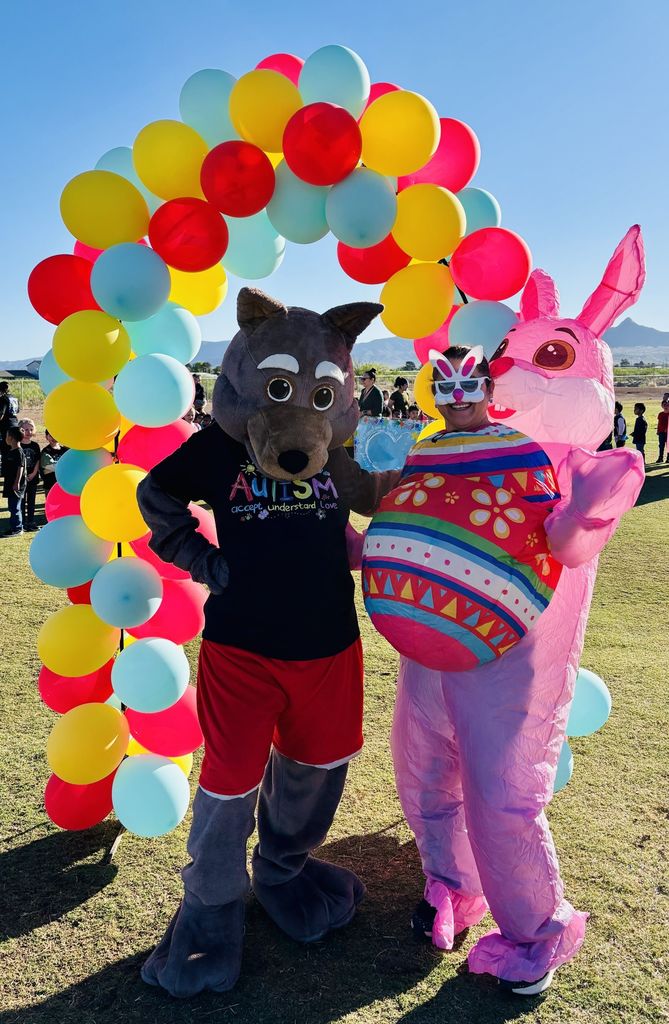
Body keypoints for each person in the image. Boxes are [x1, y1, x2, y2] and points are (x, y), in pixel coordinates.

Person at [378, 346, 583, 997]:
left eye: (468, 383)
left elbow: (555, 538)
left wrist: (586, 514)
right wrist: (368, 550)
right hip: (429, 642)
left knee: (500, 795)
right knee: (426, 770)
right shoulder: (427, 449)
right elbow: (409, 522)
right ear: (434, 392)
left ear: (489, 387)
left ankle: (532, 935)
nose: (456, 394)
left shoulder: (520, 452)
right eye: (445, 384)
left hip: (499, 649)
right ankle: (450, 888)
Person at [2, 425, 27, 536]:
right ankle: (13, 527)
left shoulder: (19, 452)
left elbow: (20, 467)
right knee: (11, 507)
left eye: (7, 436)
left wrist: (17, 482)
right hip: (9, 483)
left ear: (11, 438)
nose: (5, 438)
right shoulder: (10, 451)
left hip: (16, 485)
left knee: (15, 507)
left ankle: (18, 528)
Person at [19, 419, 41, 531]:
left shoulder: (35, 445)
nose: (29, 432)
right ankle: (21, 522)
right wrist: (23, 476)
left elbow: (37, 461)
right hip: (21, 479)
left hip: (33, 477)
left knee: (31, 501)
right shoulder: (18, 445)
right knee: (21, 501)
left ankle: (31, 522)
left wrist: (33, 473)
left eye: (31, 429)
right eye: (26, 429)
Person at [0, 380, 20, 477]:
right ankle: (16, 469)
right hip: (15, 424)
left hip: (6, 427)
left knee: (5, 449)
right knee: (15, 448)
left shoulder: (3, 398)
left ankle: (5, 471)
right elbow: (17, 410)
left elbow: (1, 414)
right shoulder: (14, 398)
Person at [656, 395, 669, 463]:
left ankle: (668, 458)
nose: (665, 406)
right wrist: (658, 430)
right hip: (661, 432)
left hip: (668, 433)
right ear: (662, 406)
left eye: (666, 404)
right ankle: (660, 458)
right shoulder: (660, 414)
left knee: (668, 445)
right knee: (661, 445)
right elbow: (659, 423)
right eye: (664, 405)